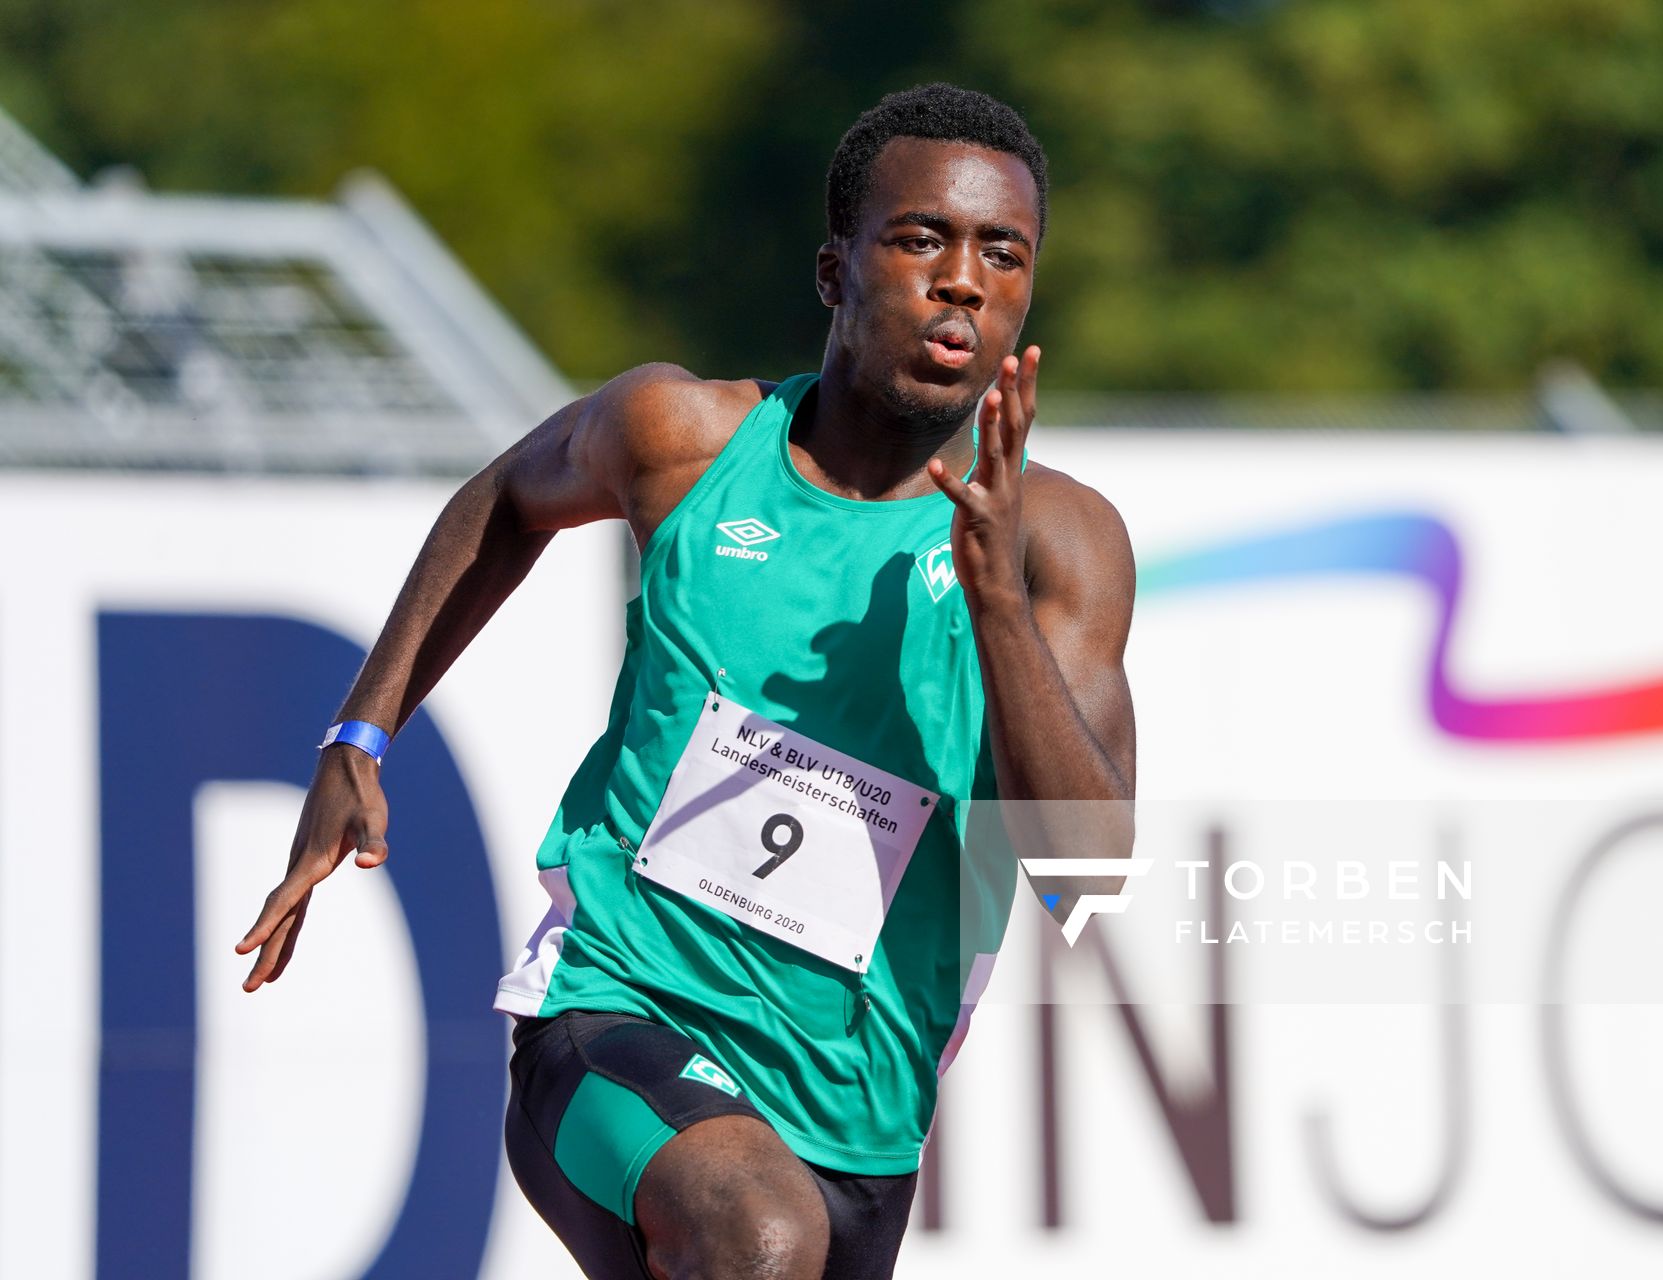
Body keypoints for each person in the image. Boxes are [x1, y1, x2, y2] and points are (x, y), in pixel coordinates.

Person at [235, 83, 1136, 1280]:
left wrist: (996, 610)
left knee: (781, 1231)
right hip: (618, 1014)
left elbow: (1086, 874)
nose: (962, 278)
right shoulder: (686, 439)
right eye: (921, 238)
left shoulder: (1056, 545)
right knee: (758, 1232)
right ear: (834, 270)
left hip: (854, 1123)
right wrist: (362, 728)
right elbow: (507, 498)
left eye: (1002, 253)